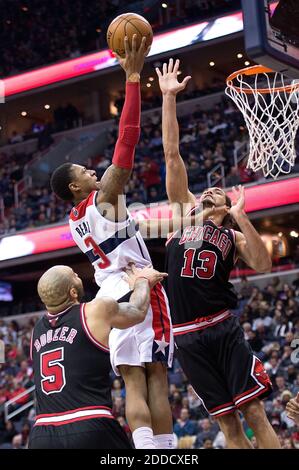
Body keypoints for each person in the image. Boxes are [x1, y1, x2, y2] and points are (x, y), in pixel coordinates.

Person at [50, 35, 173, 450]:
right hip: (139, 283)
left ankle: (143, 450)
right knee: (155, 374)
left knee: (131, 381)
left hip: (109, 295)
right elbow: (128, 140)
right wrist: (134, 79)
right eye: (85, 170)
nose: (92, 170)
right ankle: (166, 454)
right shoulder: (105, 200)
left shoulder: (73, 221)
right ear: (75, 185)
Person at [156, 58, 281, 449]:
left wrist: (242, 218)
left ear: (226, 206)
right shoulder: (181, 214)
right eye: (207, 191)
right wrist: (168, 99)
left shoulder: (231, 233)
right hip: (187, 336)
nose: (211, 190)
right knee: (227, 425)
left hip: (221, 325)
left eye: (220, 193)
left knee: (255, 413)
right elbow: (172, 154)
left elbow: (262, 263)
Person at [29, 264, 166, 449]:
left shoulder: (36, 331)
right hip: (89, 423)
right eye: (74, 274)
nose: (78, 275)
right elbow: (138, 311)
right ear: (73, 293)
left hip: (42, 434)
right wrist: (142, 281)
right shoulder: (94, 310)